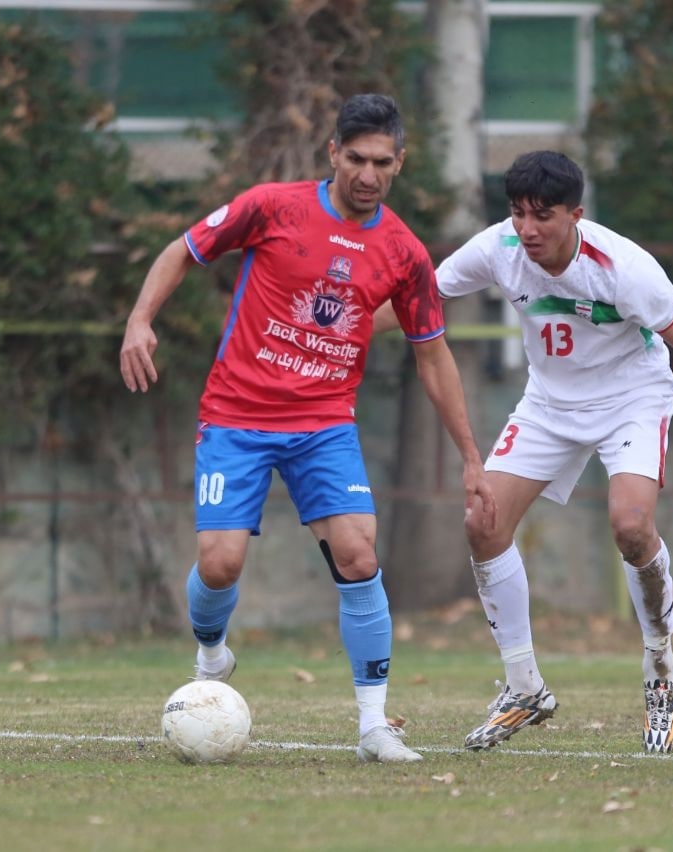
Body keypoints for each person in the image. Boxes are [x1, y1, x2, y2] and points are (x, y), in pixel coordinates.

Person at [119, 94, 495, 764]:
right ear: (332, 153)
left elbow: (432, 354)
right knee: (220, 562)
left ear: (400, 163)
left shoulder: (403, 253)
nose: (368, 174)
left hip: (323, 425)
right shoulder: (273, 206)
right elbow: (182, 250)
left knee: (358, 555)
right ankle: (211, 653)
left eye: (382, 161)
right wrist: (140, 319)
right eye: (356, 158)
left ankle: (375, 726)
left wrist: (470, 455)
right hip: (235, 414)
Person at [377, 150, 673, 753]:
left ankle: (661, 672)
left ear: (576, 213)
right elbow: (421, 300)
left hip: (631, 399)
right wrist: (340, 331)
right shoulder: (499, 248)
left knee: (630, 524)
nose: (528, 229)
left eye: (542, 215)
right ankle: (524, 688)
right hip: (548, 405)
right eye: (518, 213)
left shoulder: (625, 268)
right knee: (481, 521)